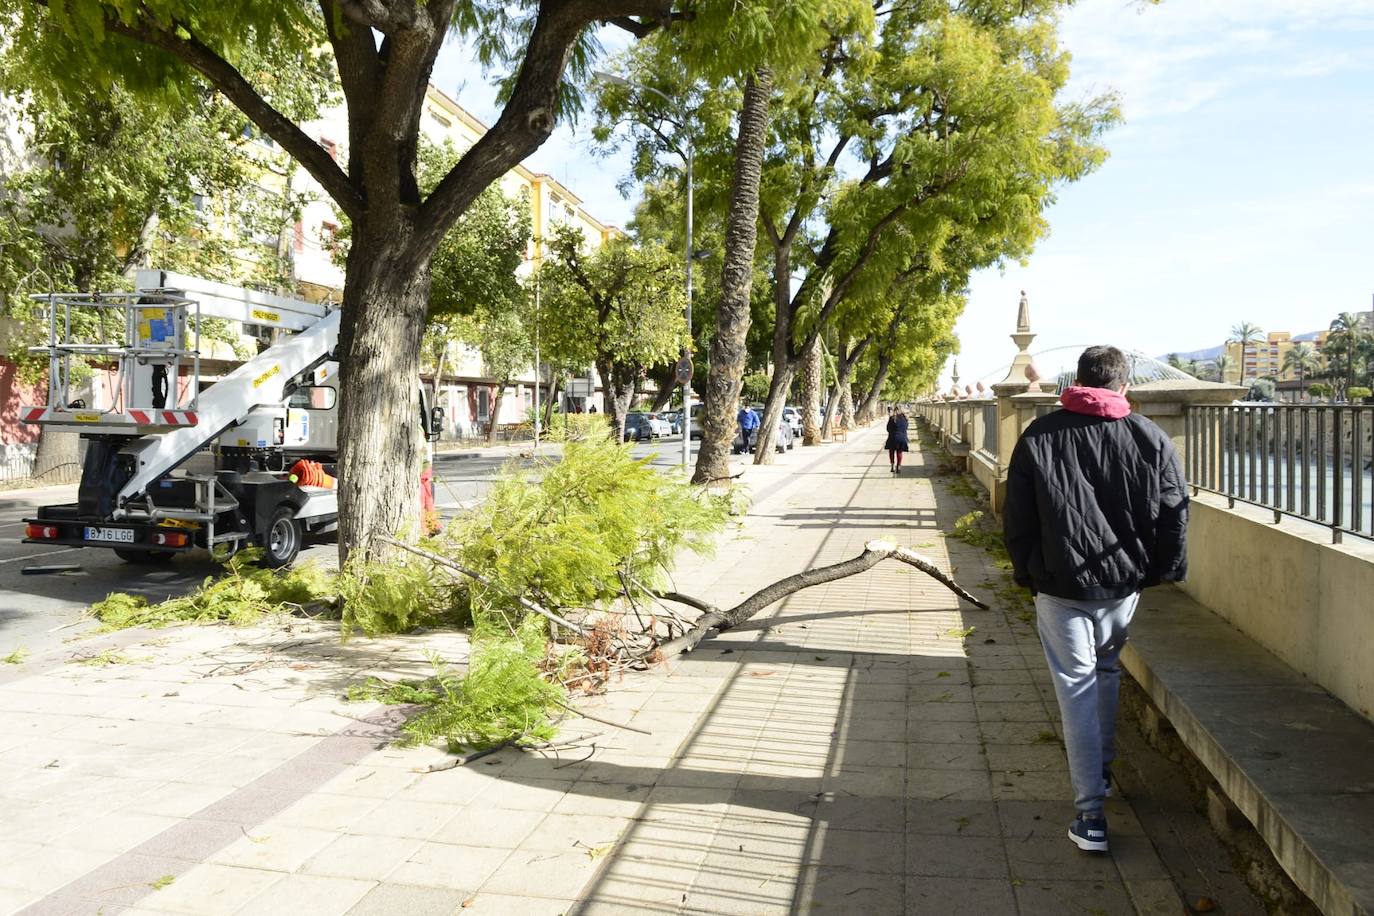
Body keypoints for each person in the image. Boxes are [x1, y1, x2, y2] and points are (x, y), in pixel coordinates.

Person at [1003, 345, 1188, 855]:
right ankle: (1101, 774)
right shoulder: (1150, 437)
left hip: (1060, 586)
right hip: (1121, 586)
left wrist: (1028, 573)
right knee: (1104, 674)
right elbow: (1174, 511)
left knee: (1075, 688)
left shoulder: (1040, 435)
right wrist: (1157, 572)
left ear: (1077, 380)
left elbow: (1017, 517)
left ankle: (1090, 816)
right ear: (1123, 388)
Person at [884, 407, 909, 473]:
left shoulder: (892, 418)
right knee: (899, 452)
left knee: (891, 451)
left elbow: (888, 429)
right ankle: (899, 466)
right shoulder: (905, 419)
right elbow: (906, 428)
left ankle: (892, 465)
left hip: (893, 438)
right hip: (902, 438)